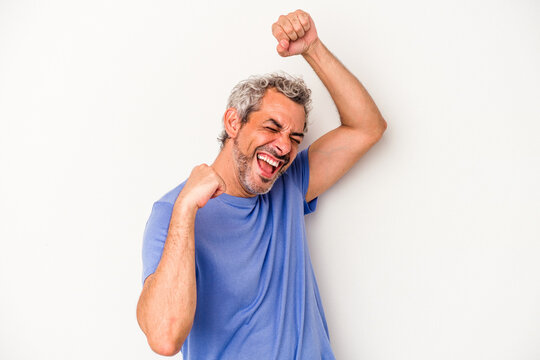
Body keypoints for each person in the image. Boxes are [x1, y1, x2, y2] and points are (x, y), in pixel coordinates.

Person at [136, 9, 387, 359]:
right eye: (272, 127)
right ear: (233, 121)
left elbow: (367, 127)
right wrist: (186, 209)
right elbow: (164, 338)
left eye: (295, 137)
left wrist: (312, 47)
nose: (285, 146)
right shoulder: (173, 213)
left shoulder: (290, 183)